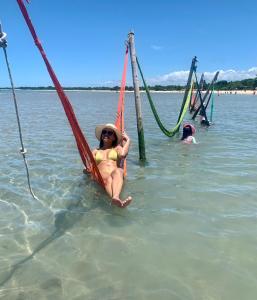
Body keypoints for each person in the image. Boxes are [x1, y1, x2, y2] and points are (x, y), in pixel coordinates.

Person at [92, 123, 132, 208]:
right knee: (107, 181)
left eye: (110, 133)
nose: (106, 134)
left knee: (119, 170)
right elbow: (89, 165)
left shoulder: (117, 148)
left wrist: (128, 140)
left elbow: (123, 154)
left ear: (114, 137)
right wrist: (86, 170)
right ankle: (118, 202)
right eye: (104, 132)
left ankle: (116, 198)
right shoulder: (95, 151)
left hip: (113, 177)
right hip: (101, 180)